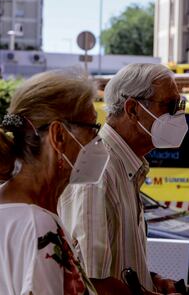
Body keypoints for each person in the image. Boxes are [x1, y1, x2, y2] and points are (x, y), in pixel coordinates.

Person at [58, 63, 187, 294]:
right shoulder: (98, 169)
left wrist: (153, 281)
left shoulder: (124, 166)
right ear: (133, 109)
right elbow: (93, 280)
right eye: (170, 105)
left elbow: (119, 265)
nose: (177, 115)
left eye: (179, 105)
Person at [0, 70, 115, 294]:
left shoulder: (18, 210)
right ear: (59, 135)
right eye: (93, 129)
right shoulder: (37, 225)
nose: (98, 141)